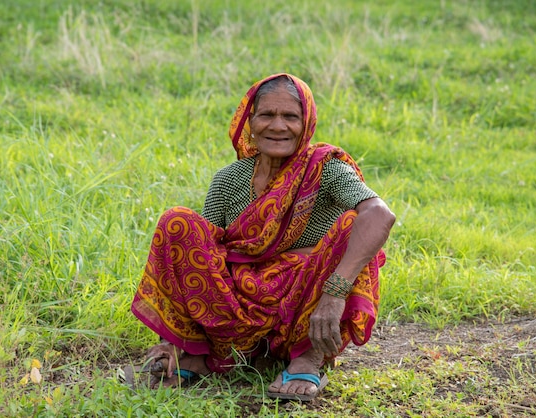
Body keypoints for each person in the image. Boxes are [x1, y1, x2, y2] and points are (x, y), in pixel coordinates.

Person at [131, 73, 395, 401]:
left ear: (307, 121)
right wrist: (172, 339)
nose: (278, 126)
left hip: (304, 307)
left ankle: (308, 358)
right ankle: (193, 352)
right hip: (236, 312)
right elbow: (201, 256)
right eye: (267, 115)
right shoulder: (229, 180)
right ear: (250, 121)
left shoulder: (325, 170)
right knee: (179, 223)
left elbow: (380, 214)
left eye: (290, 116)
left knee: (354, 227)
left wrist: (335, 292)